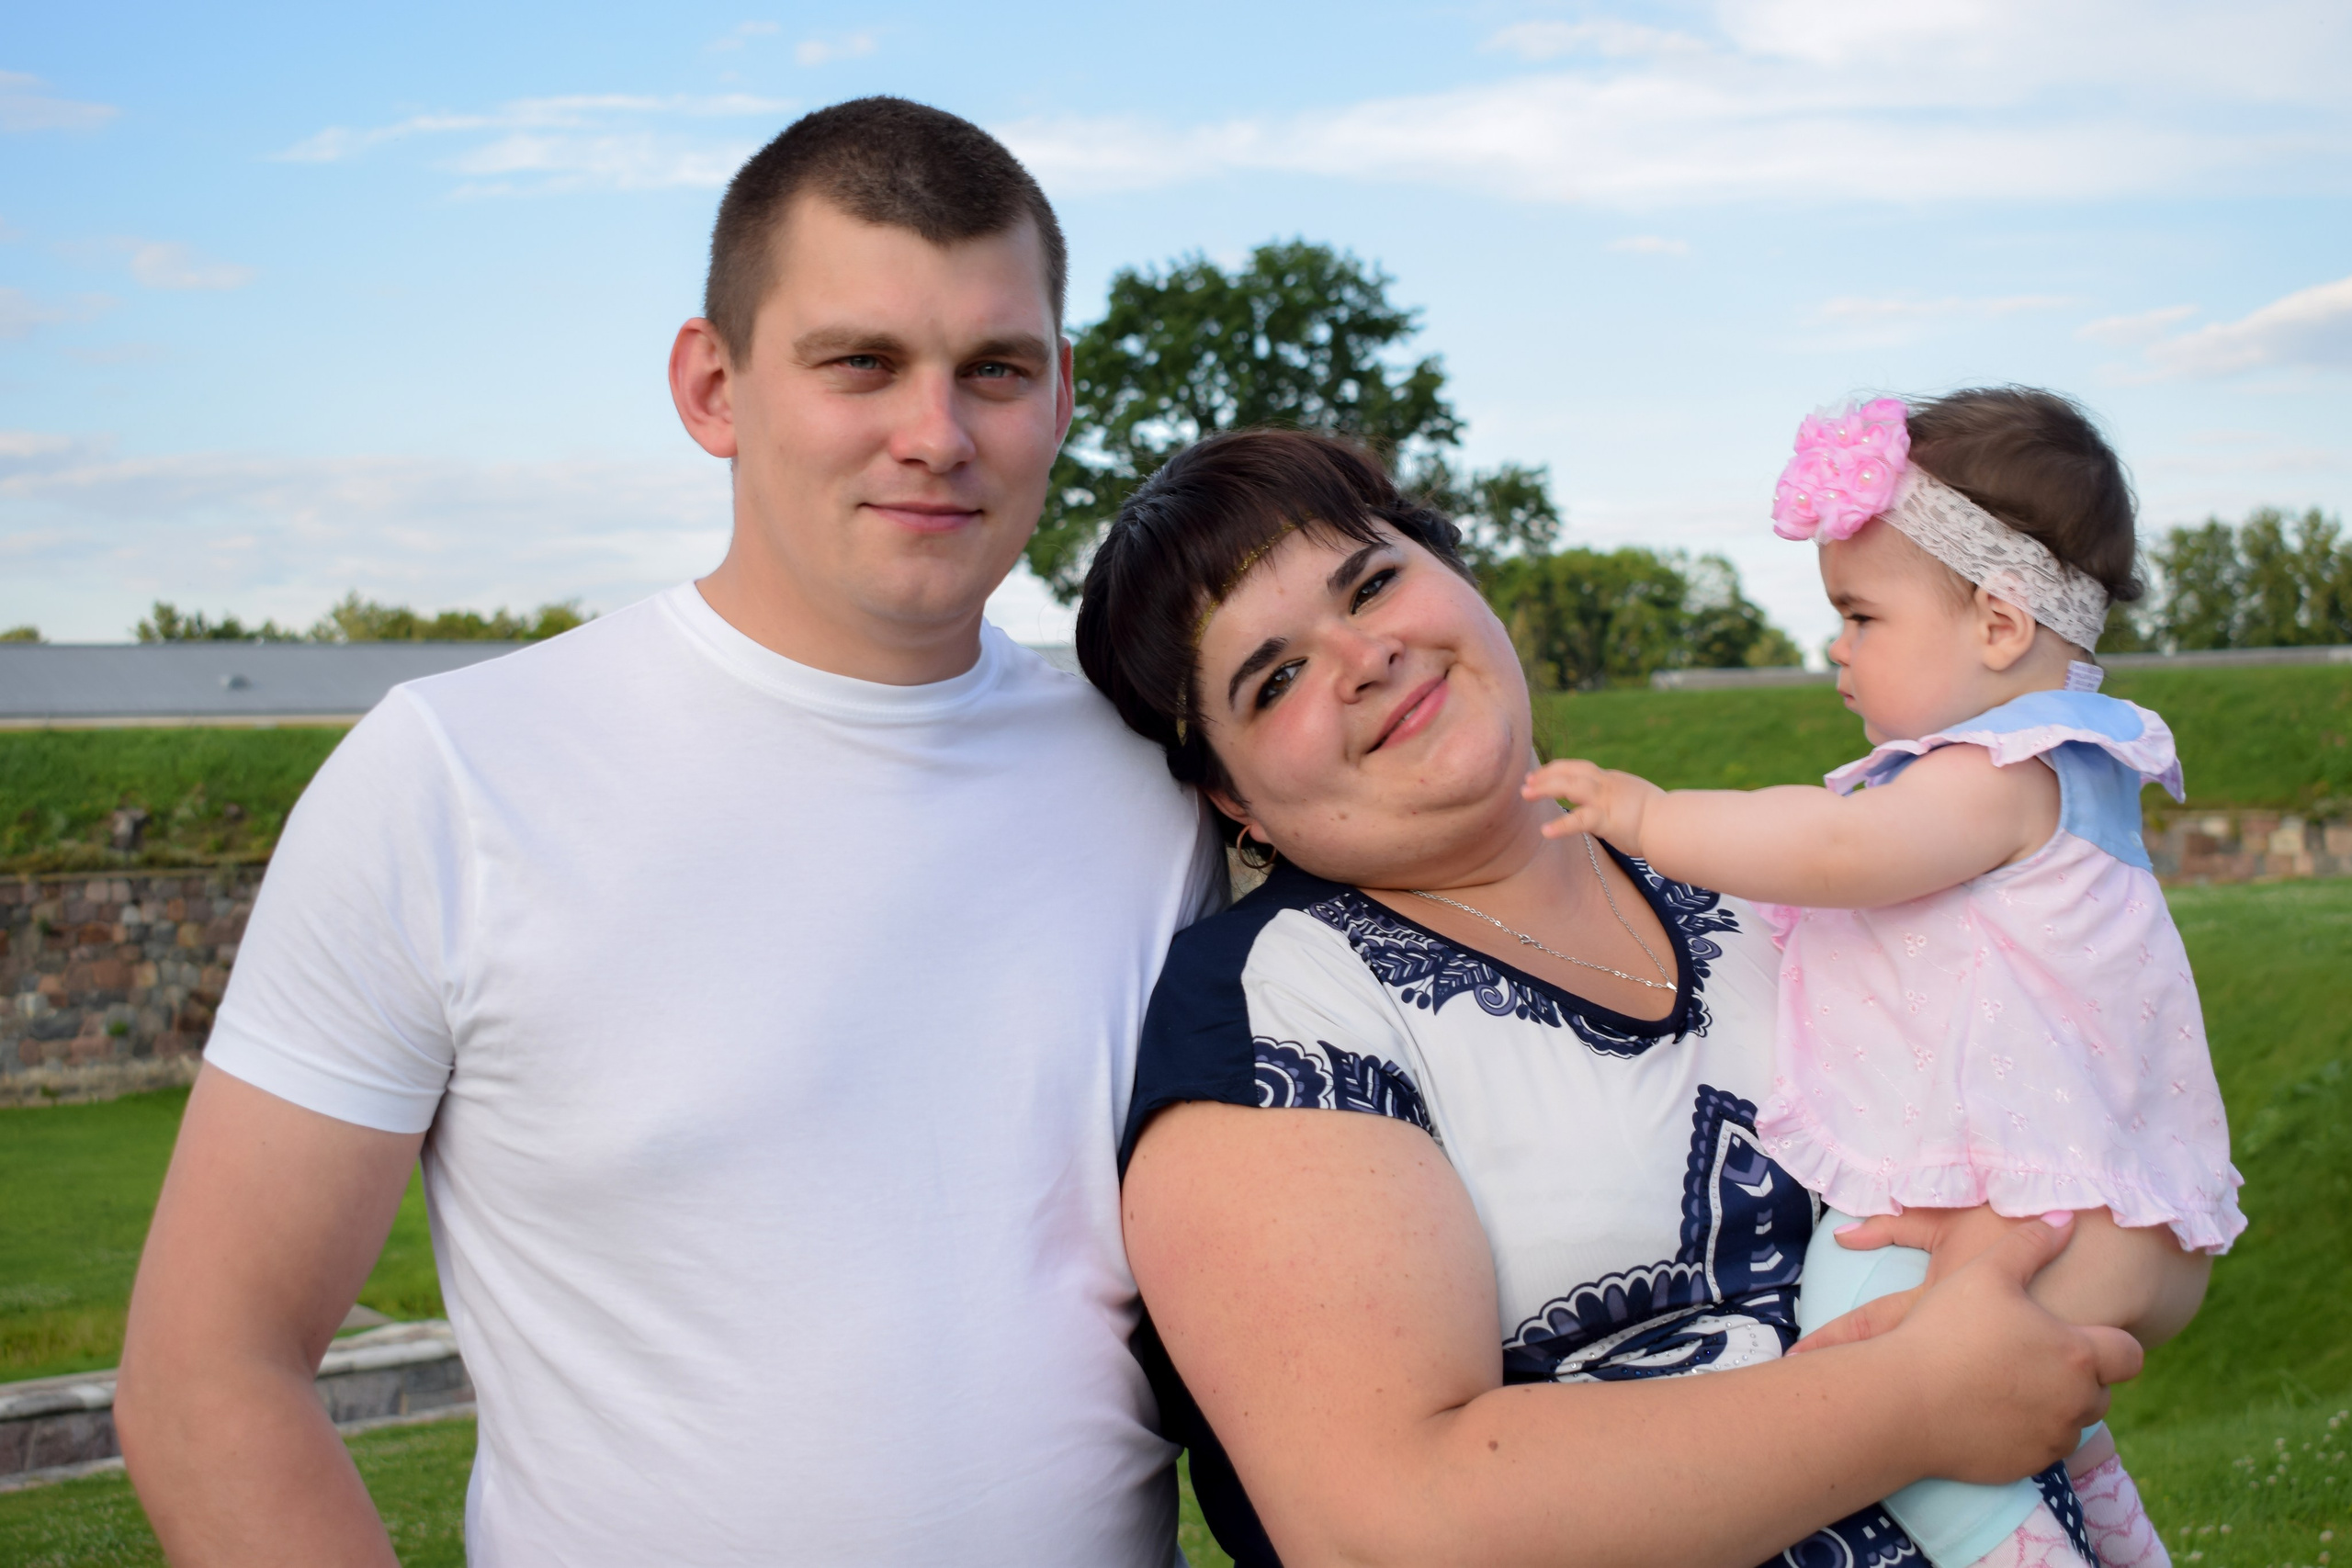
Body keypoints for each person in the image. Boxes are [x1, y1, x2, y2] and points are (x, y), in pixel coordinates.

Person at [114, 97, 1222, 1566]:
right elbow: (209, 1368)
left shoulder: (1157, 777)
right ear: (713, 385)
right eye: (860, 363)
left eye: (995, 369)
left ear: (1062, 393)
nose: (936, 432)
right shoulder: (454, 777)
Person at [1076, 427, 2177, 1568]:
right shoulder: (1276, 1015)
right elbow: (1386, 1524)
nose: (1362, 656)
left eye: (1374, 582)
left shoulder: (1770, 876)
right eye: (1278, 678)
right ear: (1230, 796)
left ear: (1458, 577)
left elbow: (2103, 1190)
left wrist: (2086, 1280)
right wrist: (1913, 1397)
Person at [1532, 389, 2239, 1568]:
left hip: (2055, 1212)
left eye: (1860, 616)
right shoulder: (2074, 761)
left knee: (1871, 1375)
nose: (1836, 648)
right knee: (2017, 1402)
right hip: (2089, 1208)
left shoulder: (1995, 775)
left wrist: (1648, 815)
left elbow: (1835, 850)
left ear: (2000, 626)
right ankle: (2109, 1530)